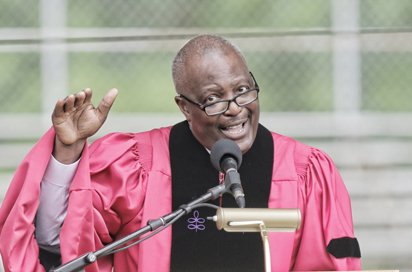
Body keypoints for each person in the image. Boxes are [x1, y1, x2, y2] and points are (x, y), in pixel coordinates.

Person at [0, 34, 361, 271]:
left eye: (243, 90)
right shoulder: (135, 165)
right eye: (212, 99)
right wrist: (68, 151)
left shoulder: (305, 171)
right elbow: (59, 243)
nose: (235, 108)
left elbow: (331, 264)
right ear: (184, 106)